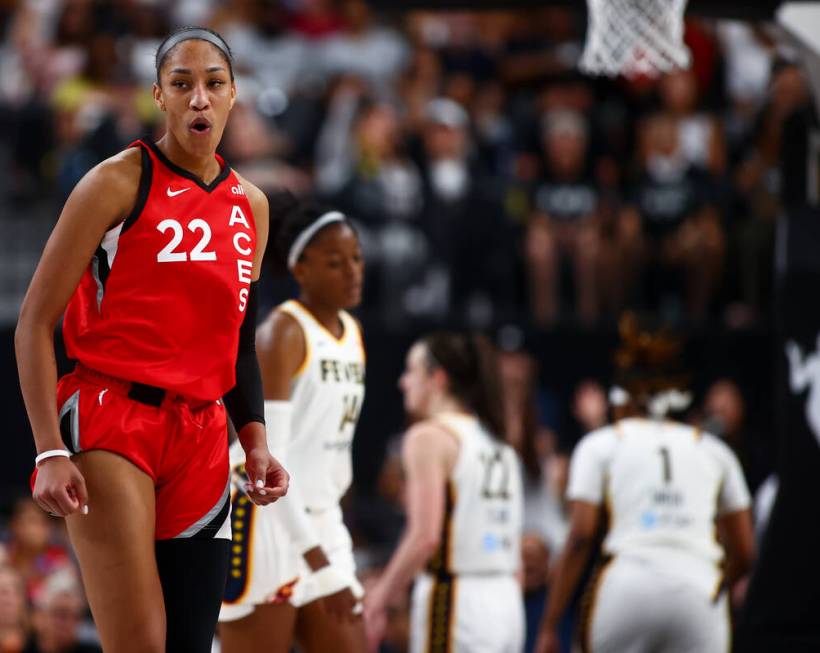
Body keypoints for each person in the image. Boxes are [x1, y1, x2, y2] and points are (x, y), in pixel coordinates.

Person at [14, 26, 289, 653]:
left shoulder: (252, 206)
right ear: (158, 97)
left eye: (213, 84)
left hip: (202, 434)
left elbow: (239, 338)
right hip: (114, 418)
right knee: (140, 642)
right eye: (182, 85)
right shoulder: (115, 182)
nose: (199, 99)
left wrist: (257, 441)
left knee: (191, 644)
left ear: (233, 95)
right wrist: (47, 450)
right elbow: (33, 322)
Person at [534, 316, 756, 653]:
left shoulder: (602, 443)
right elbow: (744, 551)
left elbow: (580, 536)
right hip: (699, 586)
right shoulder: (715, 450)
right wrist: (714, 586)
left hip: (626, 586)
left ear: (621, 400)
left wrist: (550, 623)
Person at [218, 202, 367, 653]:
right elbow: (261, 460)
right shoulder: (281, 333)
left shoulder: (353, 333)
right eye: (335, 262)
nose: (352, 271)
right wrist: (315, 558)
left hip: (320, 516)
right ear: (300, 268)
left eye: (356, 258)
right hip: (264, 516)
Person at [364, 333, 525, 653]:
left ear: (437, 379)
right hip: (507, 601)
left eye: (411, 371)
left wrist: (378, 599)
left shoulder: (428, 436)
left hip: (458, 601)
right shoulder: (498, 440)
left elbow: (425, 537)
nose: (403, 382)